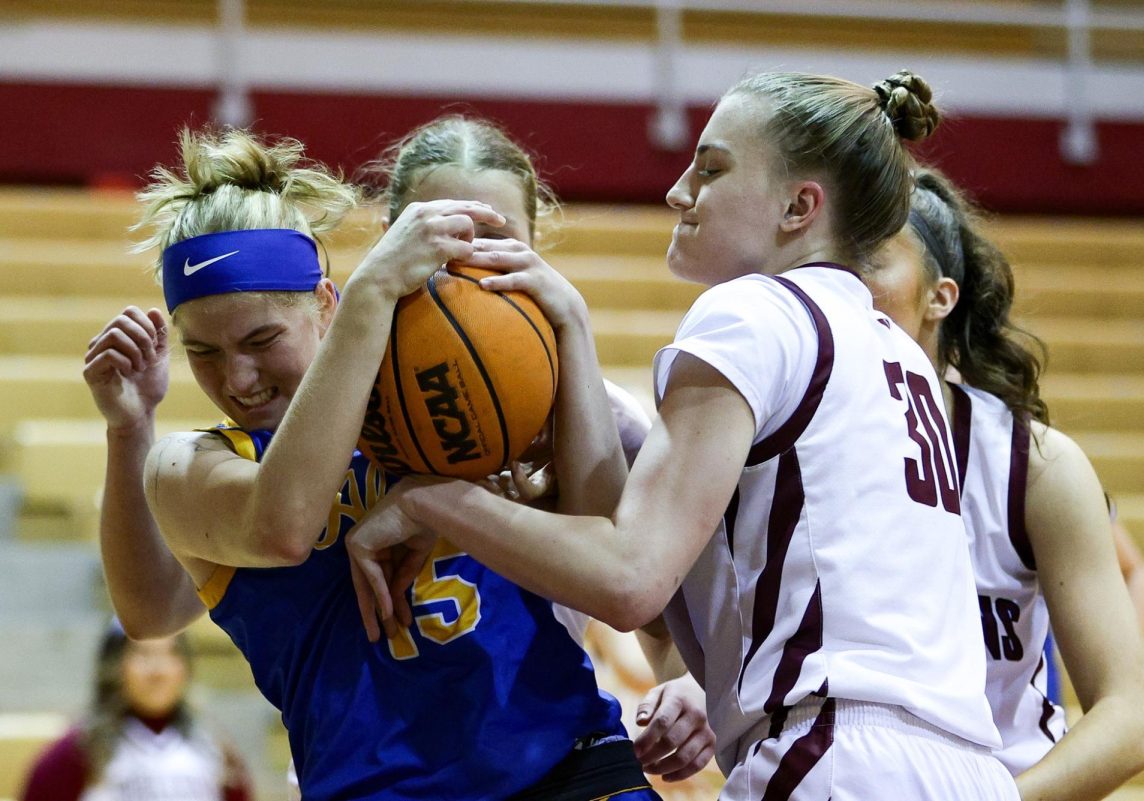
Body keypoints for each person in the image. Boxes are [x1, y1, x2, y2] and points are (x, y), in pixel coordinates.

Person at [357, 71, 1021, 799]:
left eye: (710, 170)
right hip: (969, 764)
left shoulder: (754, 312)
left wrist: (429, 499)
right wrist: (572, 328)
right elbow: (626, 529)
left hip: (835, 757)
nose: (678, 192)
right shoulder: (896, 350)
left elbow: (628, 577)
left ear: (799, 207)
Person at [83, 120, 707, 799]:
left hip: (568, 761)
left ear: (322, 304)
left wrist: (690, 679)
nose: (238, 378)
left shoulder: (541, 398)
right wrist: (129, 427)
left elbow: (634, 594)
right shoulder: (197, 464)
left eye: (261, 339)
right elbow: (205, 574)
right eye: (202, 352)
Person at [862, 166, 1144, 799]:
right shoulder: (780, 443)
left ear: (939, 297)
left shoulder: (1035, 464)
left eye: (871, 262)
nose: (843, 289)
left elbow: (1129, 720)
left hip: (1003, 775)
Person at [20, 622, 251, 801]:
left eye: (171, 654)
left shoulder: (215, 749)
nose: (158, 670)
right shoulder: (78, 751)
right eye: (143, 654)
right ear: (113, 666)